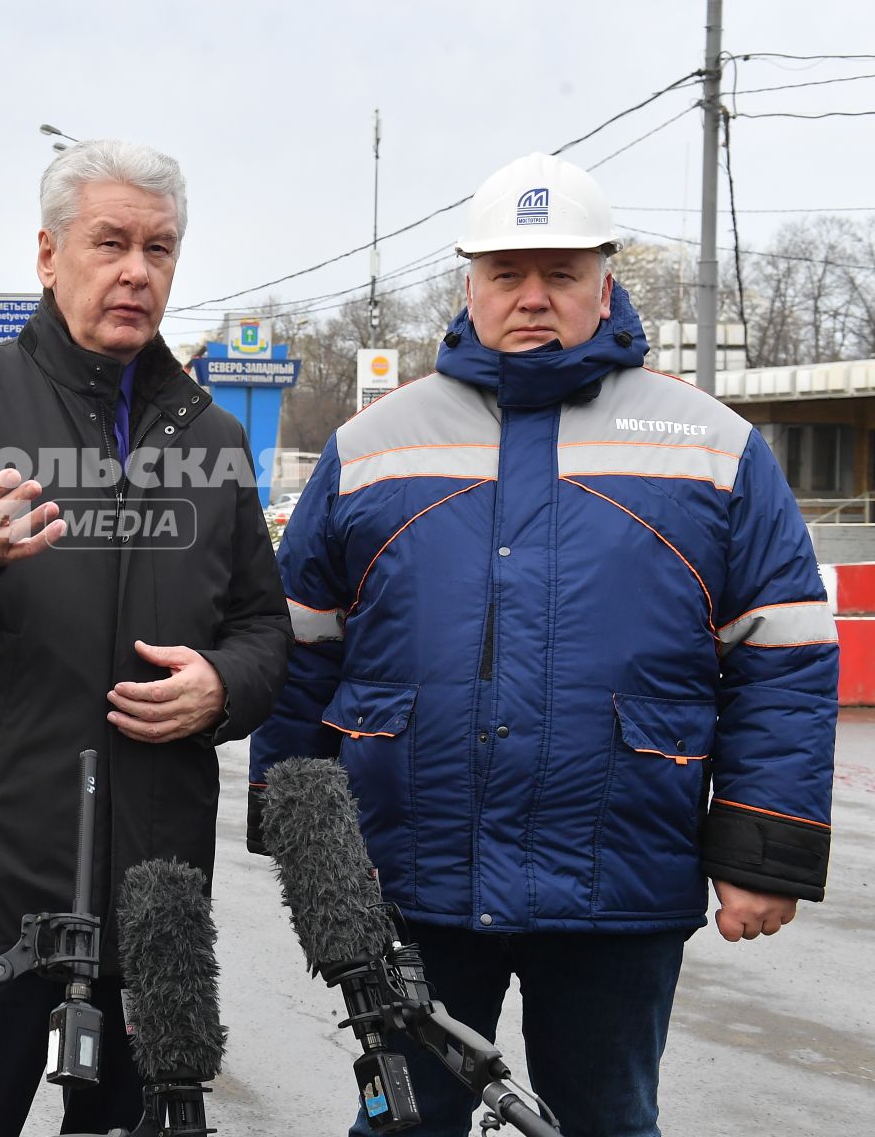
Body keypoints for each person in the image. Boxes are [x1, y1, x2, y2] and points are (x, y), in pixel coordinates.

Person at [248, 152, 838, 1136]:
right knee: (400, 1123)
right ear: (468, 283)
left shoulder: (713, 445)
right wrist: (299, 840)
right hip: (411, 880)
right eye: (507, 274)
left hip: (621, 879)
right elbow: (303, 648)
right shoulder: (370, 447)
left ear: (605, 280)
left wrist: (764, 850)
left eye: (560, 274)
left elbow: (782, 658)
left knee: (603, 1119)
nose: (533, 297)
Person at [0, 139, 291, 1136]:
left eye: (159, 248)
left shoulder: (210, 437)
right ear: (48, 255)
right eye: (110, 241)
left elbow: (263, 625)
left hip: (154, 879)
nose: (136, 270)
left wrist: (223, 684)